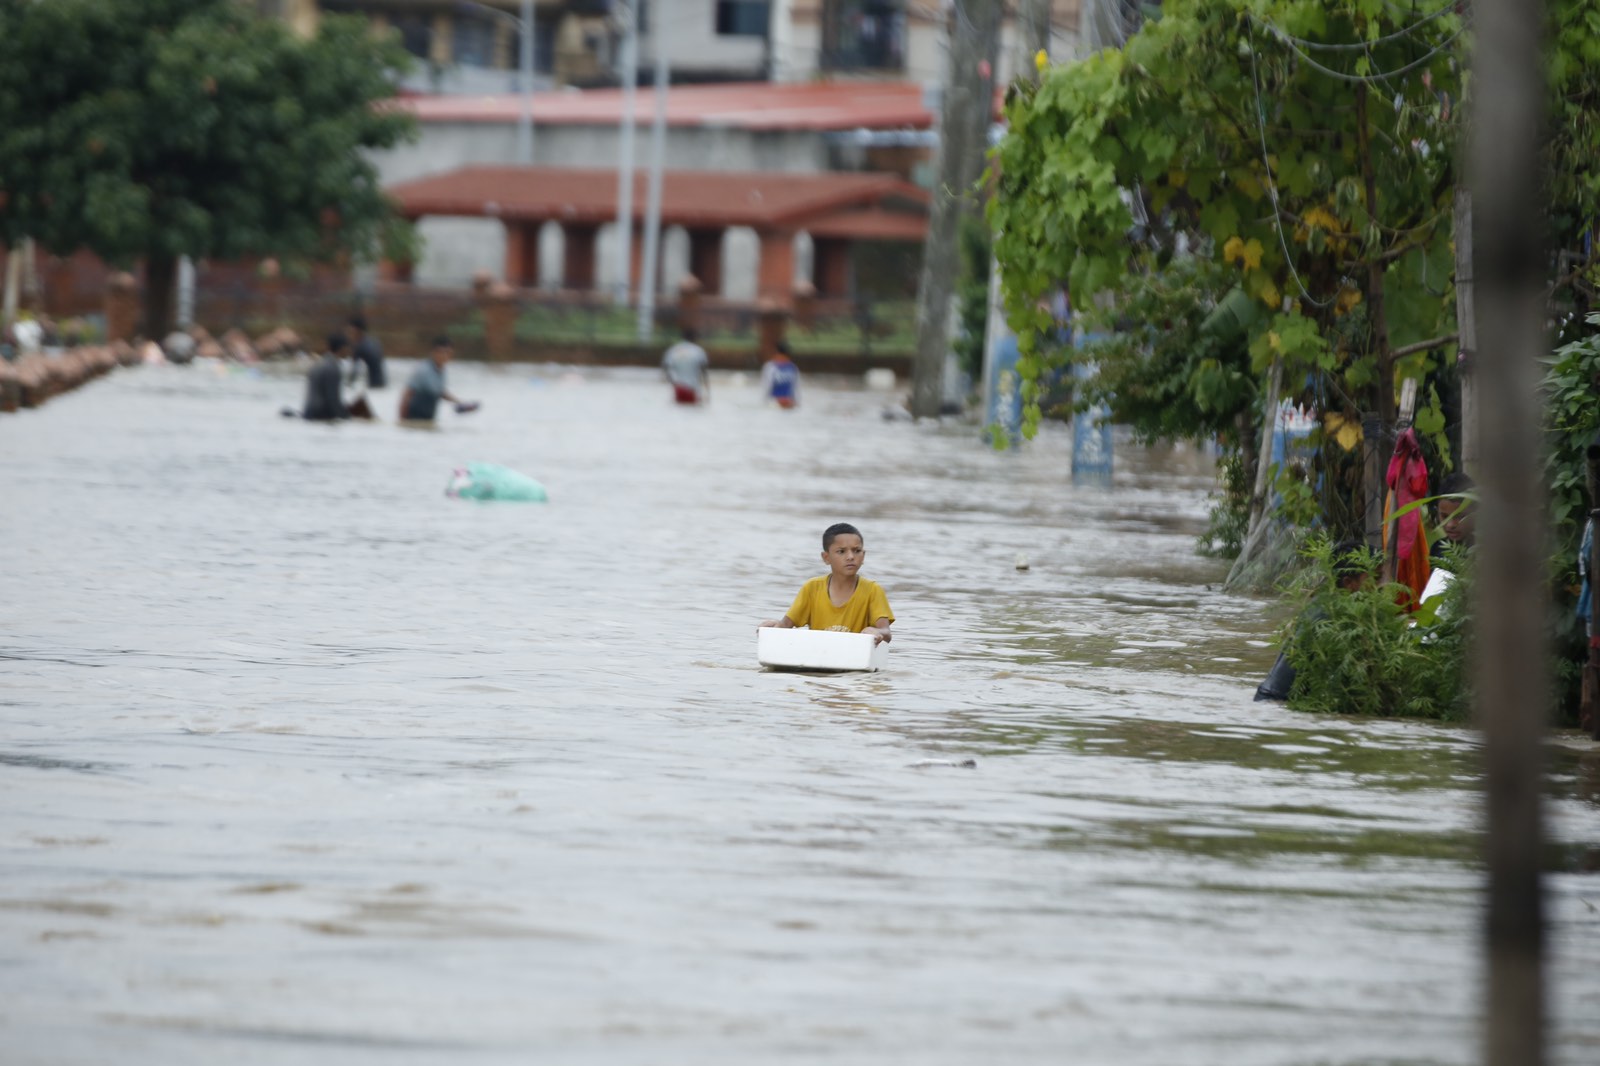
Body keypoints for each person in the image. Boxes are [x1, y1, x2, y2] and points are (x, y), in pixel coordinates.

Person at [1254, 539, 1373, 701]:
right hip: (1279, 701)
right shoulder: (1336, 616)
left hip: (1271, 697)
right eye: (1375, 578)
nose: (1380, 585)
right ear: (1349, 583)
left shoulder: (1321, 602)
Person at [759, 522, 894, 645]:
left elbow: (886, 633)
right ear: (826, 557)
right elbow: (785, 625)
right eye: (841, 551)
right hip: (818, 655)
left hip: (855, 658)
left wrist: (876, 632)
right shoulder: (812, 588)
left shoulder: (873, 590)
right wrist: (774, 627)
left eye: (856, 551)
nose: (851, 556)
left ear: (863, 556)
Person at [399, 336, 477, 422]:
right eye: (441, 352)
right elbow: (407, 394)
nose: (444, 356)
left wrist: (460, 403)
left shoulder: (441, 370)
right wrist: (402, 420)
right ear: (433, 352)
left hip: (428, 417)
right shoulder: (423, 370)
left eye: (448, 353)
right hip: (414, 416)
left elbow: (440, 392)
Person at [299, 333, 350, 421]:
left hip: (308, 413)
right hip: (321, 415)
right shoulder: (333, 368)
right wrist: (347, 417)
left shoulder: (318, 364)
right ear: (343, 348)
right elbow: (333, 401)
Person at [661, 326, 710, 405]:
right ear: (694, 337)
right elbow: (704, 373)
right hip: (692, 389)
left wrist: (674, 384)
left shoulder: (673, 350)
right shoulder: (698, 351)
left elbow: (666, 369)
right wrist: (707, 392)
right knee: (692, 411)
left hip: (678, 388)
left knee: (679, 409)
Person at [346, 314, 387, 390]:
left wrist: (347, 385)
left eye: (351, 331)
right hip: (382, 382)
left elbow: (354, 371)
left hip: (373, 385)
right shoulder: (375, 341)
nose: (350, 334)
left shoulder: (359, 346)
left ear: (357, 330)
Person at [761, 339, 801, 409]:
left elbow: (796, 388)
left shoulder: (792, 367)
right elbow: (766, 386)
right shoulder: (771, 367)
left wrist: (795, 402)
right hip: (774, 402)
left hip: (788, 402)